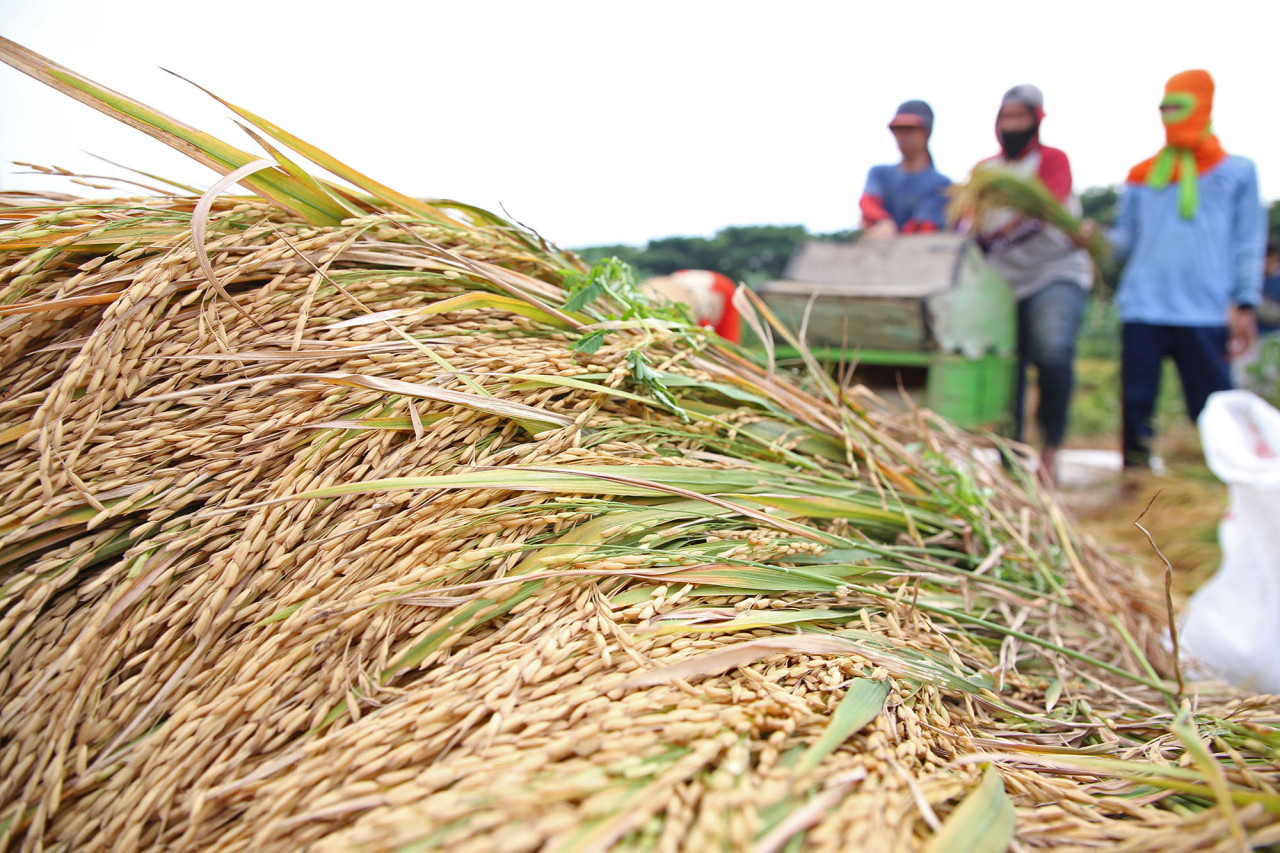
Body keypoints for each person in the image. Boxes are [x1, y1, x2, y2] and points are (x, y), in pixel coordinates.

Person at [1101, 69, 1265, 469]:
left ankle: (1220, 481)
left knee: (1213, 407)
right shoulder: (1142, 176)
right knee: (1137, 403)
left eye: (1180, 107)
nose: (1170, 115)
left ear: (1204, 106)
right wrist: (1090, 237)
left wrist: (1244, 302)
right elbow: (1124, 241)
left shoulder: (1236, 173)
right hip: (1144, 303)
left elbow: (1248, 242)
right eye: (1165, 108)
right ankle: (1135, 481)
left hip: (1205, 307)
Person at [971, 84, 1092, 483]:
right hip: (1003, 283)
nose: (1012, 126)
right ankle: (1011, 457)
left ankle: (1051, 450)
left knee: (1053, 350)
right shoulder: (986, 173)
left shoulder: (1052, 161)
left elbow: (1045, 209)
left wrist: (1000, 233)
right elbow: (967, 222)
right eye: (1006, 118)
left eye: (1020, 118)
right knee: (1007, 369)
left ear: (1036, 121)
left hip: (1053, 273)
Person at [859, 100, 951, 238]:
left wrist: (892, 235)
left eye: (909, 130)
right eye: (898, 130)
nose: (902, 137)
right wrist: (883, 222)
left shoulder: (942, 185)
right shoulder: (879, 173)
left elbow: (925, 226)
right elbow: (868, 203)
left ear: (926, 133)